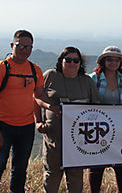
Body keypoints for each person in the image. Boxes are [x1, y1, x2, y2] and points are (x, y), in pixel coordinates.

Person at [0, 29, 46, 193]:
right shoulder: (0, 68)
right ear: (12, 45)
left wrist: (55, 106)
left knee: (20, 170)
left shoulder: (35, 70)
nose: (25, 50)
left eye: (29, 47)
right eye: (21, 46)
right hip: (3, 126)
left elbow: (39, 95)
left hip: (26, 127)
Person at [35, 46, 99, 193]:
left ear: (80, 63)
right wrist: (38, 121)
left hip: (79, 141)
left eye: (76, 60)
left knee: (76, 177)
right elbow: (36, 98)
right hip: (54, 138)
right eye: (68, 60)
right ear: (61, 61)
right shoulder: (50, 76)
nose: (72, 63)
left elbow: (96, 108)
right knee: (51, 176)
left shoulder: (87, 81)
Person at [87, 46, 122, 193]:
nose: (113, 63)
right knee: (96, 166)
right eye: (110, 59)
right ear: (103, 61)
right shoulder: (93, 79)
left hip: (119, 129)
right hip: (98, 129)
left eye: (116, 60)